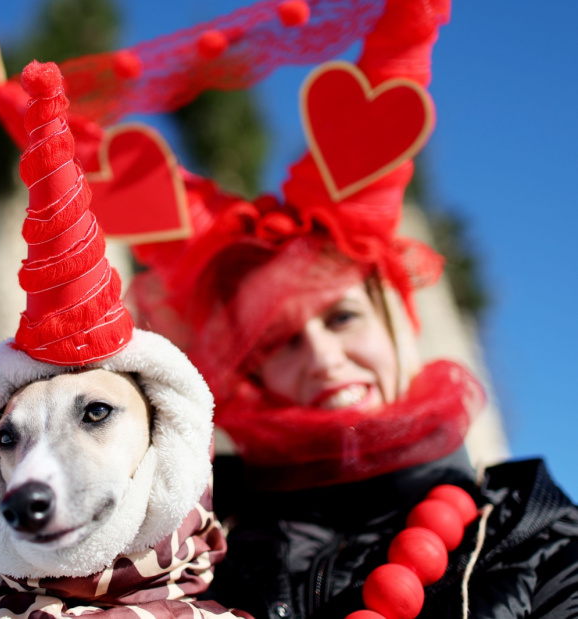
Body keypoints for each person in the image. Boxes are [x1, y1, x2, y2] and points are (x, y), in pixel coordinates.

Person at [125, 1, 578, 617]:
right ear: (249, 374)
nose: (323, 356)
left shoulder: (535, 535)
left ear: (398, 323)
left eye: (342, 317)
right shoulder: (178, 545)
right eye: (278, 341)